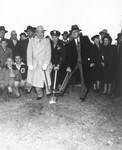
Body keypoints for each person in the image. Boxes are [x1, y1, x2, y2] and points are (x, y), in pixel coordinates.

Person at [60, 25, 92, 101]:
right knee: (67, 76)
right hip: (74, 63)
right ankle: (61, 91)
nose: (74, 33)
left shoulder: (85, 39)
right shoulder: (70, 44)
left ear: (79, 32)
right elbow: (68, 56)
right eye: (72, 32)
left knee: (84, 78)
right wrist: (68, 66)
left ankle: (82, 96)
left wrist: (91, 61)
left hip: (84, 63)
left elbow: (91, 50)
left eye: (76, 32)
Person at [26, 25, 52, 100]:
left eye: (42, 33)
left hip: (44, 63)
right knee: (36, 81)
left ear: (43, 33)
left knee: (47, 79)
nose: (40, 34)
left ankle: (48, 92)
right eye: (38, 32)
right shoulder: (32, 41)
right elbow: (29, 53)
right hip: (35, 64)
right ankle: (39, 94)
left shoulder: (47, 41)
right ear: (36, 33)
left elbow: (48, 53)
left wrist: (46, 64)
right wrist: (30, 64)